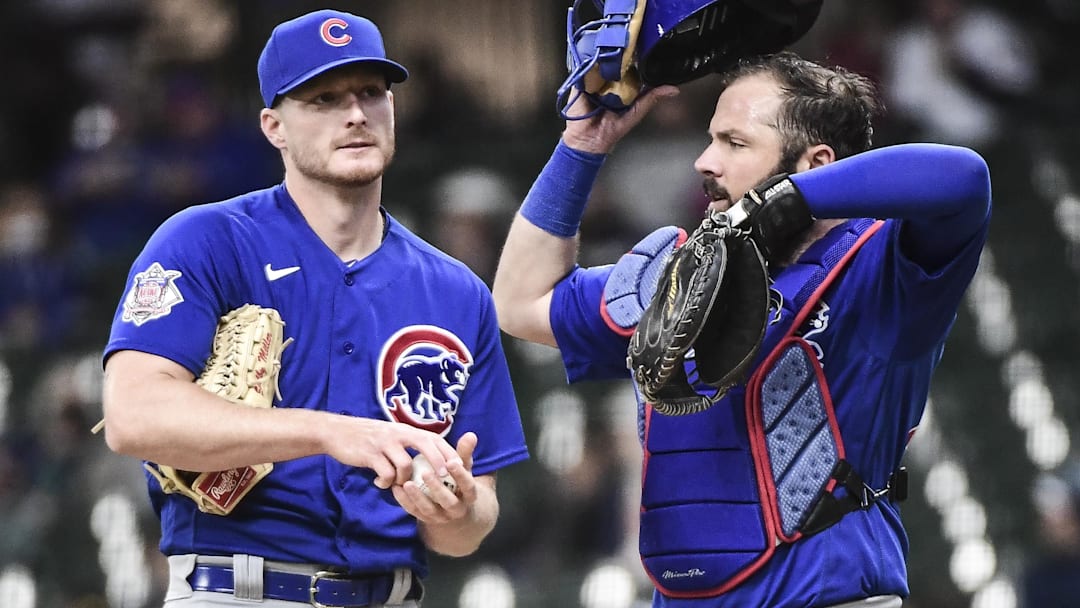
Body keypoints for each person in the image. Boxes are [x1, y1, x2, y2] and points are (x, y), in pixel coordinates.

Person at [493, 51, 991, 608]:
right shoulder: (679, 280)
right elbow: (519, 303)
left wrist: (792, 200)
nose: (705, 161)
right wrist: (581, 147)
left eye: (735, 143)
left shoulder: (882, 272)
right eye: (711, 139)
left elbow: (965, 178)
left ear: (814, 162)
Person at [98, 9, 528, 607]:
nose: (356, 113)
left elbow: (470, 526)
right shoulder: (207, 240)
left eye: (371, 93)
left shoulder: (456, 292)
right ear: (274, 126)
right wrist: (324, 433)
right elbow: (132, 416)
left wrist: (453, 509)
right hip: (236, 589)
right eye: (323, 99)